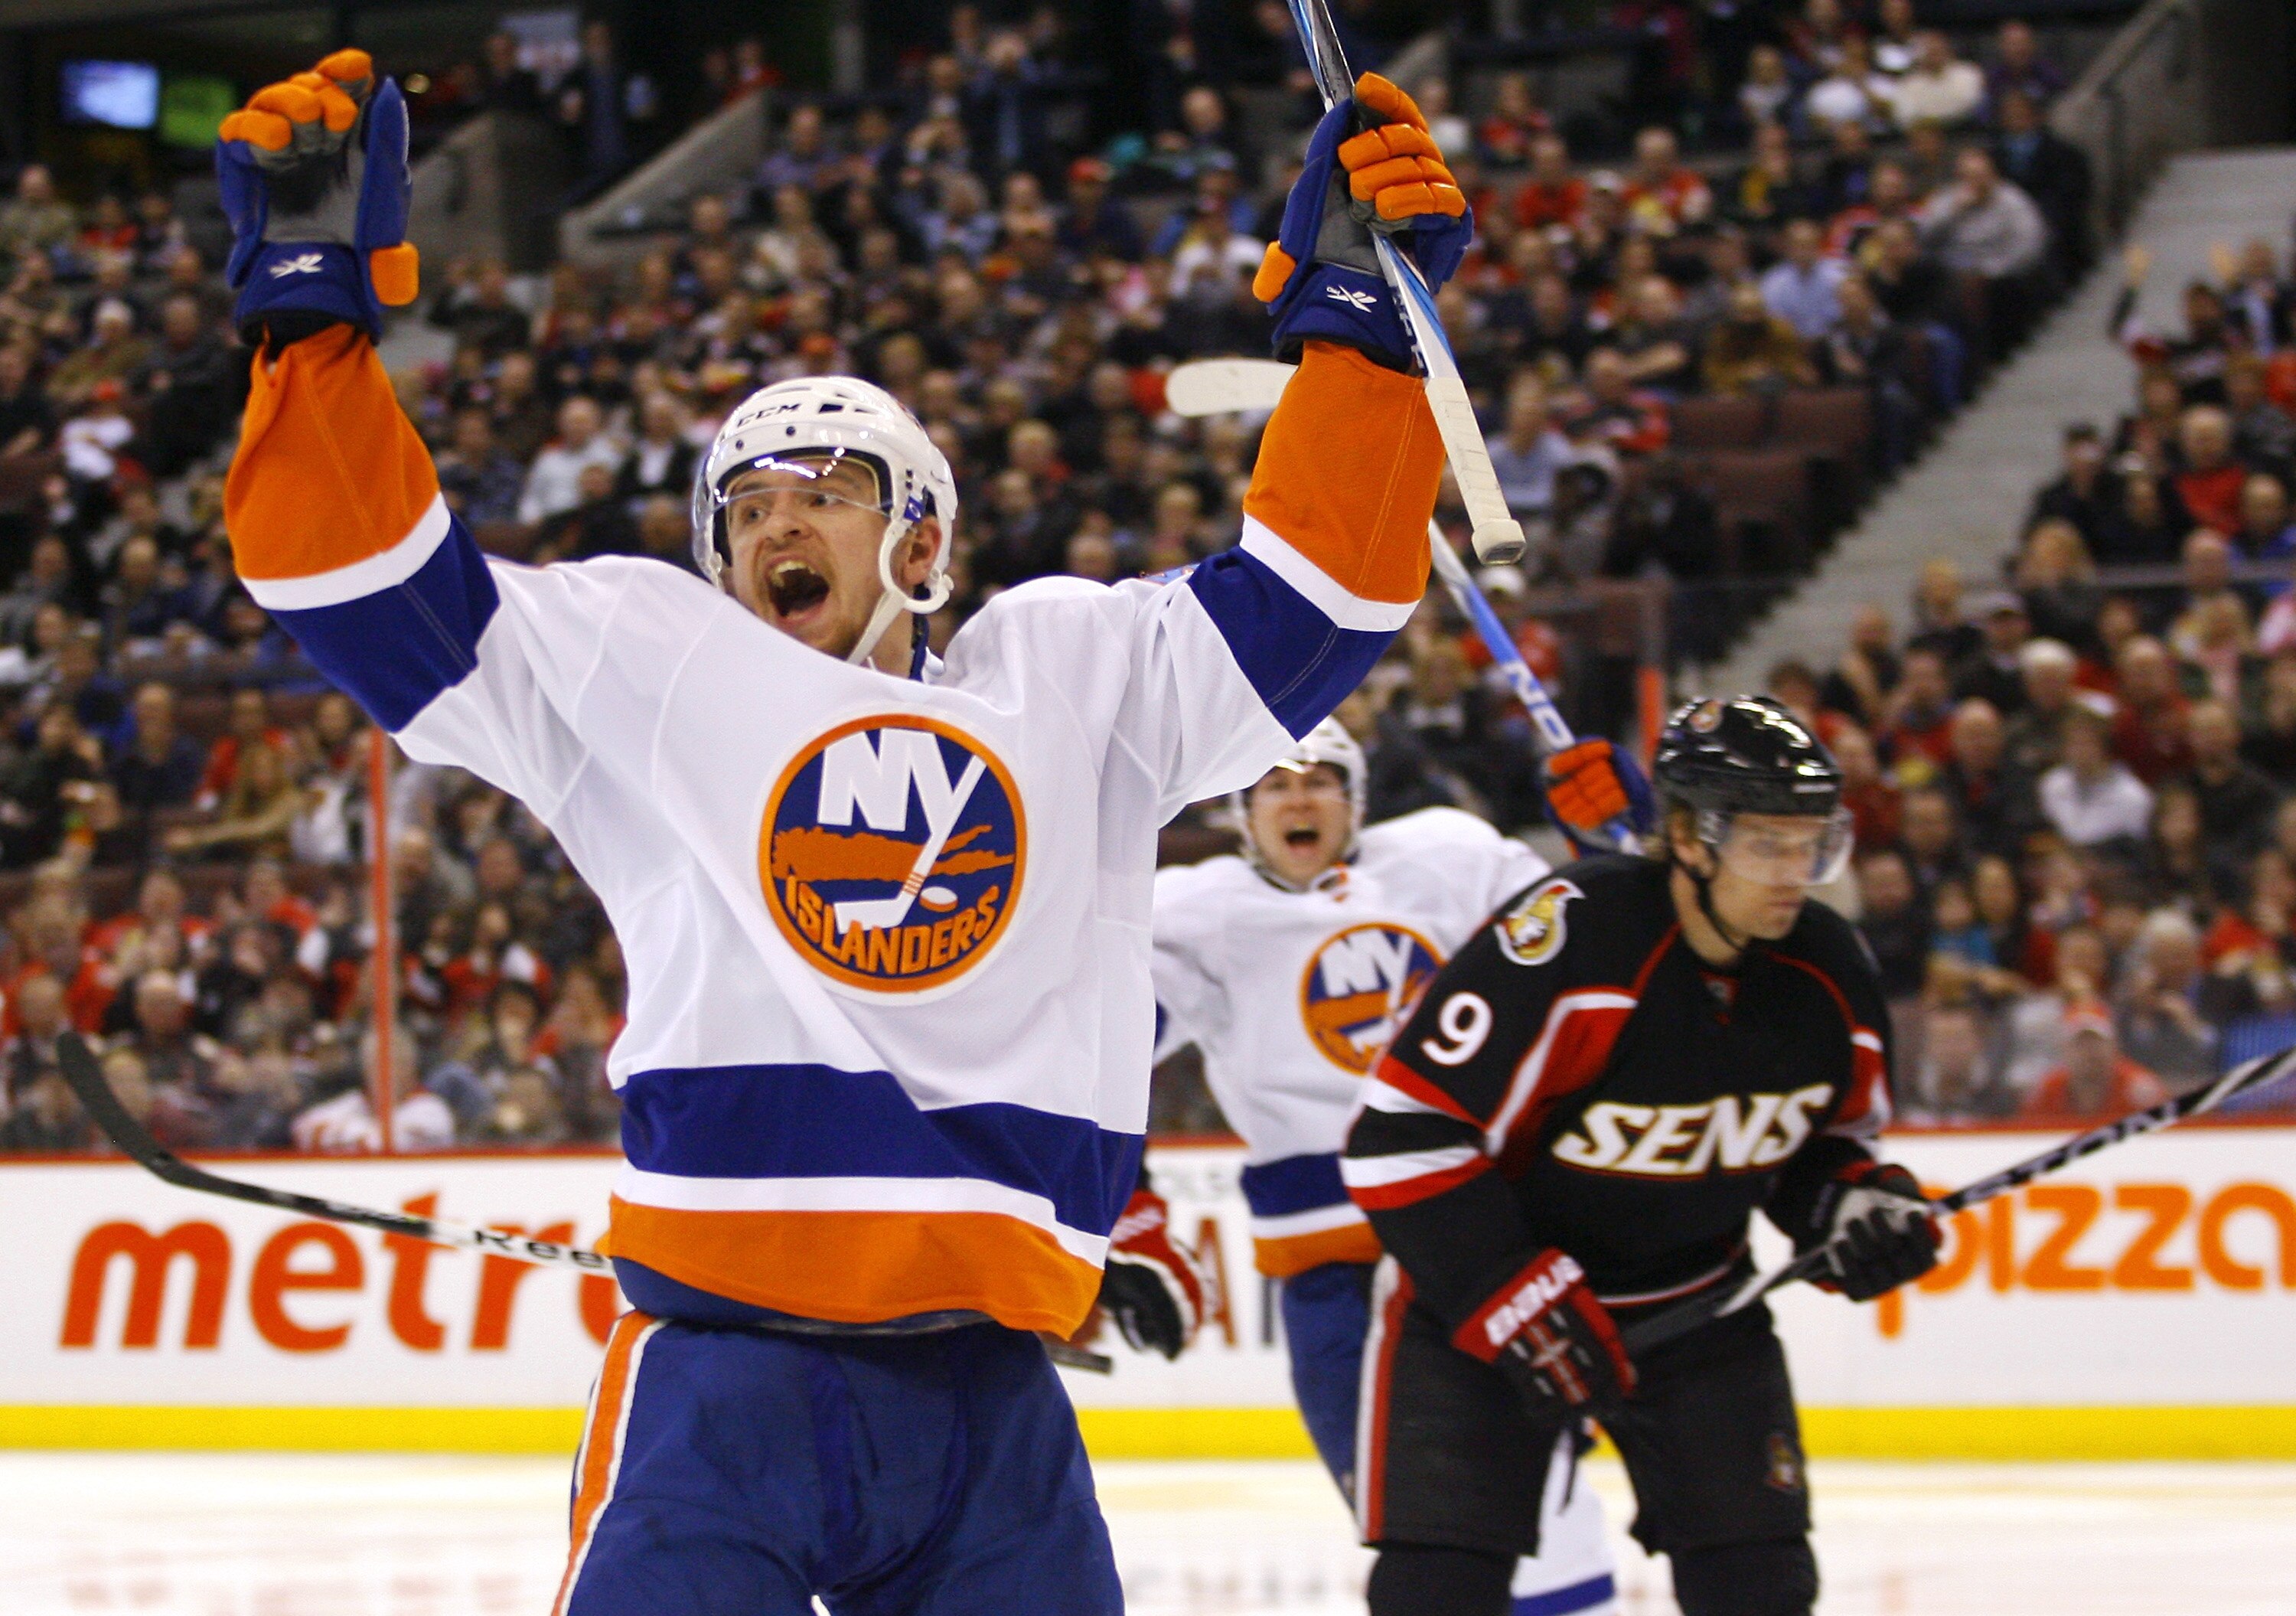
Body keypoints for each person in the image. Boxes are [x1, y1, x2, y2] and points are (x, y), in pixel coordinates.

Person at [216, 53, 1470, 1612]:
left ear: (923, 536)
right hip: (720, 1395)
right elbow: (361, 590)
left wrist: (1355, 333)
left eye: (823, 490)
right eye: (743, 507)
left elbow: (1323, 599)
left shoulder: (1071, 677)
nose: (775, 524)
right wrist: (307, 326)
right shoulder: (654, 660)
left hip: (994, 1412)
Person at [1342, 697, 1939, 1616]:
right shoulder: (1574, 939)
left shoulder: (1826, 969)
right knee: (1438, 1589)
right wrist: (1512, 1297)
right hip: (1483, 1315)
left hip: (1701, 1309)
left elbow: (1824, 1149)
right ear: (1693, 839)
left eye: (1813, 844)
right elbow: (1398, 1138)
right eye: (1767, 846)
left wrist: (1859, 1211)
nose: (1796, 875)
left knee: (1761, 1587)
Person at [1152, 720, 1627, 1615]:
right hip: (1332, 1275)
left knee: (1548, 1507)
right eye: (1274, 783)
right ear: (1240, 811)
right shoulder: (1198, 913)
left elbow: (1588, 937)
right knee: (1417, 1529)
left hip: (1477, 1250)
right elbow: (1104, 1033)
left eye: (1323, 778)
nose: (1300, 796)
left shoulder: (1449, 858)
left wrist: (1607, 847)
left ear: (1357, 800)